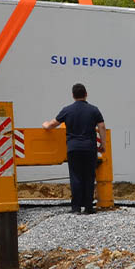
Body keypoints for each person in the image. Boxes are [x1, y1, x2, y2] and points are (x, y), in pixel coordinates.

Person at [43, 83, 106, 215]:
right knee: (89, 176)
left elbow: (52, 125)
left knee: (75, 176)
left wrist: (45, 124)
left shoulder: (67, 110)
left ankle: (76, 207)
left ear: (73, 95)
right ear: (86, 94)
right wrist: (103, 144)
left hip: (73, 148)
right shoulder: (94, 110)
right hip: (89, 148)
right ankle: (88, 207)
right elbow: (101, 127)